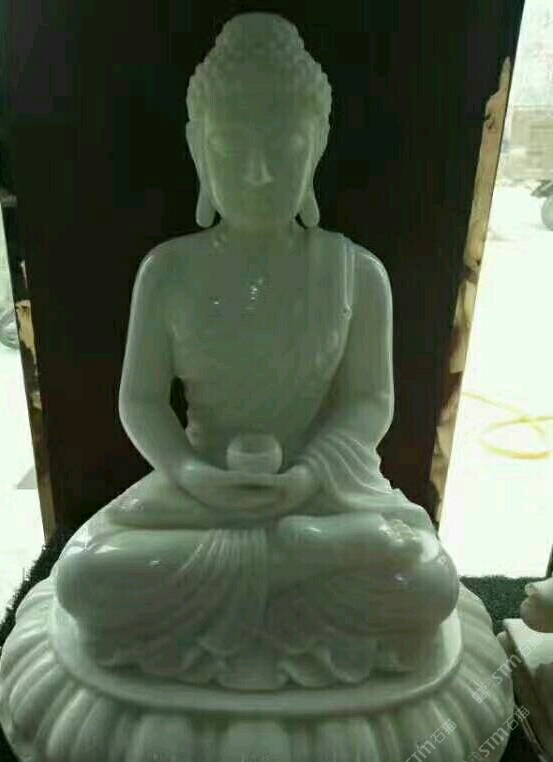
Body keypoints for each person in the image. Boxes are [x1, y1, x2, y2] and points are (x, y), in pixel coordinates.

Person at [54, 13, 459, 690]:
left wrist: (307, 477)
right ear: (197, 148)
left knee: (429, 582)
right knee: (85, 577)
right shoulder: (167, 271)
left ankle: (303, 554)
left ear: (317, 143)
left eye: (283, 144)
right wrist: (192, 472)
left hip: (319, 495)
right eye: (231, 146)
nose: (259, 172)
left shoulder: (357, 274)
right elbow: (141, 401)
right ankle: (301, 562)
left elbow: (369, 402)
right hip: (201, 495)